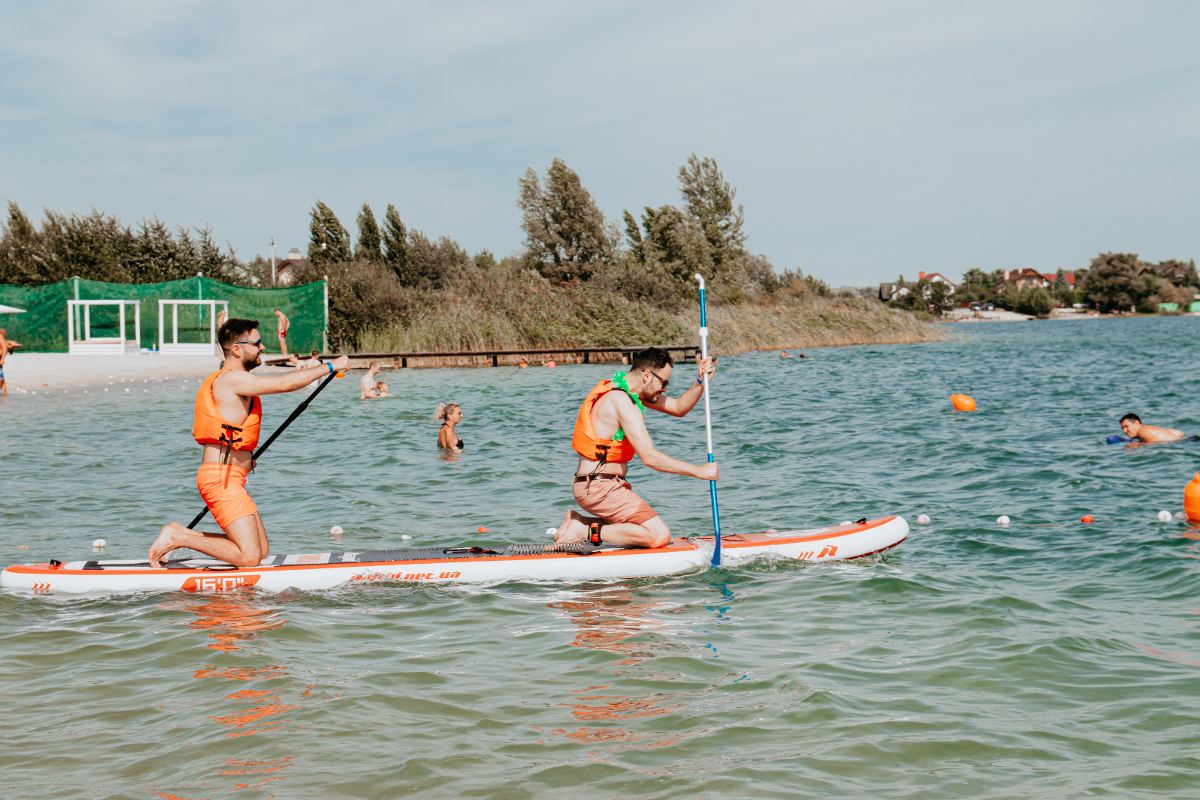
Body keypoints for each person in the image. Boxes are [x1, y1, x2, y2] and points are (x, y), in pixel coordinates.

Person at [148, 319, 349, 568]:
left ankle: (180, 535)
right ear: (237, 350)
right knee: (249, 557)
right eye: (257, 343)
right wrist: (330, 365)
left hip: (232, 478)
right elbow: (286, 384)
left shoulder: (230, 382)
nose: (262, 348)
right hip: (220, 479)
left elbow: (213, 431)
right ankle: (178, 536)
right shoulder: (230, 379)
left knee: (260, 550)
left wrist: (242, 456)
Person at [554, 346, 718, 549]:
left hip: (594, 485)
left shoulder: (625, 393)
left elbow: (678, 407)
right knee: (658, 535)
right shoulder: (622, 402)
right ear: (647, 375)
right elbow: (649, 457)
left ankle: (578, 522)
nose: (665, 389)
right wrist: (699, 471)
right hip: (600, 488)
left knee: (638, 529)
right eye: (664, 382)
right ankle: (582, 531)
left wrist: (701, 381)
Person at [1120, 413, 1185, 443]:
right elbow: (1180, 433)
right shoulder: (1148, 428)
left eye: (1126, 426)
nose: (1124, 431)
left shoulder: (1142, 431)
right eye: (1122, 428)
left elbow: (1153, 446)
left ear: (1137, 423)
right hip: (1187, 441)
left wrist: (1133, 446)